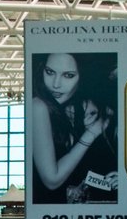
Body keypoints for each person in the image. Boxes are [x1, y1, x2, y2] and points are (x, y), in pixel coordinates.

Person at [29, 51, 118, 204]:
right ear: (41, 69)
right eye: (50, 72)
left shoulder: (65, 110)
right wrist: (92, 132)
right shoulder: (37, 105)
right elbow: (52, 180)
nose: (56, 84)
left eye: (68, 75)